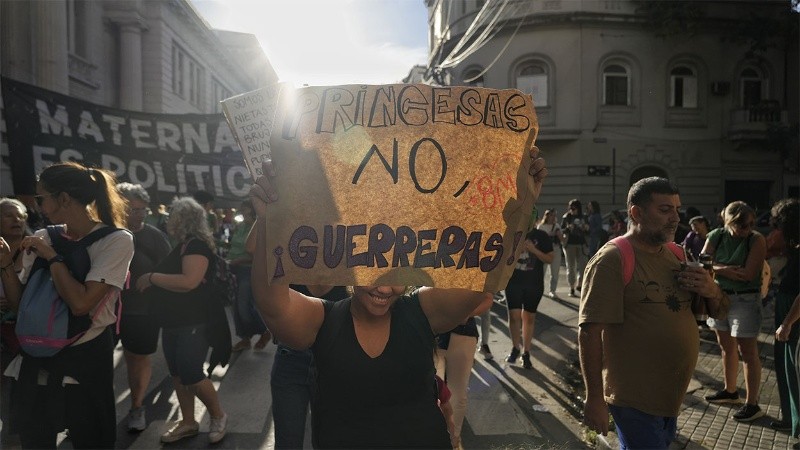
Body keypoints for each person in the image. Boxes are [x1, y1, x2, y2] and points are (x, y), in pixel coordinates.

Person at [248, 147, 546, 447]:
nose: (386, 288)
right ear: (351, 262)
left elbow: (482, 278)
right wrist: (269, 221)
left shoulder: (422, 311)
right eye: (374, 272)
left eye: (398, 276)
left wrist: (520, 202)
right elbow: (272, 305)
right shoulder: (322, 320)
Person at [579, 177, 728, 449]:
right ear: (636, 213)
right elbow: (590, 332)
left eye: (677, 209)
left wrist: (712, 290)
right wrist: (594, 399)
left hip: (670, 399)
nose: (675, 218)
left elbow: (713, 312)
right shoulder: (612, 258)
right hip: (634, 401)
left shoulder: (677, 254)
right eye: (665, 210)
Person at [0, 162, 134, 449]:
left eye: (41, 199)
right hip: (37, 354)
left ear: (63, 199)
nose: (38, 207)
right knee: (35, 441)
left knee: (91, 440)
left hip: (85, 356)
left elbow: (81, 304)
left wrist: (52, 257)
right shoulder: (47, 235)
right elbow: (20, 305)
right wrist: (5, 266)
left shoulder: (116, 240)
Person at [135, 197, 228, 444]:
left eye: (172, 216)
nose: (168, 221)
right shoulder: (186, 244)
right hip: (175, 321)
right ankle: (188, 422)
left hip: (193, 322)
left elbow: (189, 282)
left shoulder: (196, 246)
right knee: (177, 374)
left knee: (191, 373)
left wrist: (153, 277)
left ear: (181, 219)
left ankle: (218, 415)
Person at [702, 201, 767, 422]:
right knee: (725, 346)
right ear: (726, 220)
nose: (745, 230)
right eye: (740, 225)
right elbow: (704, 264)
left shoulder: (756, 240)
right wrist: (727, 269)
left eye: (749, 225)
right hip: (719, 296)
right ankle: (731, 391)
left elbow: (748, 274)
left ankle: (752, 403)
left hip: (746, 298)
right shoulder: (716, 235)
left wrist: (717, 267)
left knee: (747, 352)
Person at [115, 183, 172, 432]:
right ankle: (90, 412)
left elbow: (170, 270)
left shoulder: (154, 236)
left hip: (142, 311)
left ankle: (137, 407)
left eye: (142, 210)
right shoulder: (106, 233)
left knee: (138, 359)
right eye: (131, 208)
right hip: (106, 311)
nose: (137, 214)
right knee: (117, 361)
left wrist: (151, 278)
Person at [269, 284, 348, 449]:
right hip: (291, 357)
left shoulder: (352, 266)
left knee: (333, 441)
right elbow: (268, 299)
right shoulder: (285, 261)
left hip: (338, 362)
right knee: (287, 442)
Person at [504, 217, 554, 368]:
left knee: (529, 317)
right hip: (513, 282)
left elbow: (550, 258)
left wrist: (533, 250)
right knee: (514, 316)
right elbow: (501, 258)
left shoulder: (541, 236)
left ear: (536, 220)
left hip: (534, 284)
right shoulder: (511, 234)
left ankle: (526, 352)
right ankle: (515, 348)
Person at [771, 198, 799, 434]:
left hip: (793, 310)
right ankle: (791, 419)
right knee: (784, 365)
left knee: (794, 368)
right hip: (786, 304)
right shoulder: (794, 246)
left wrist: (788, 322)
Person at [229, 200, 271, 352]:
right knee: (236, 307)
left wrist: (241, 259)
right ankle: (245, 339)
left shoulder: (258, 227)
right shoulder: (240, 227)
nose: (243, 215)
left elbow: (259, 252)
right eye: (242, 212)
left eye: (247, 212)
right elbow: (234, 246)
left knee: (244, 306)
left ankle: (263, 331)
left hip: (249, 270)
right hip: (234, 270)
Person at [435, 316, 479, 447]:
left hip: (463, 334)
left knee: (458, 394)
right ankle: (434, 438)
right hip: (432, 334)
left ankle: (453, 441)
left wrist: (462, 311)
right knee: (431, 394)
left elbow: (487, 300)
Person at [561, 199, 588, 297]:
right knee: (571, 267)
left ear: (578, 208)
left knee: (582, 266)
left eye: (574, 208)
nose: (572, 210)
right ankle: (572, 287)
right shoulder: (566, 217)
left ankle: (580, 285)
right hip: (570, 245)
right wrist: (568, 228)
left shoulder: (584, 217)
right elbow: (562, 229)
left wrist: (585, 227)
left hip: (581, 244)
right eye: (570, 208)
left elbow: (589, 230)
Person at [537, 209, 564, 298]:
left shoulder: (557, 226)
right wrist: (550, 234)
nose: (553, 217)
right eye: (551, 215)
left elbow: (562, 239)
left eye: (554, 216)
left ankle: (552, 290)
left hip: (556, 250)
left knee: (555, 271)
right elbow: (538, 240)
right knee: (542, 271)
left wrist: (559, 234)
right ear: (547, 216)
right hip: (544, 251)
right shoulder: (541, 226)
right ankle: (539, 288)